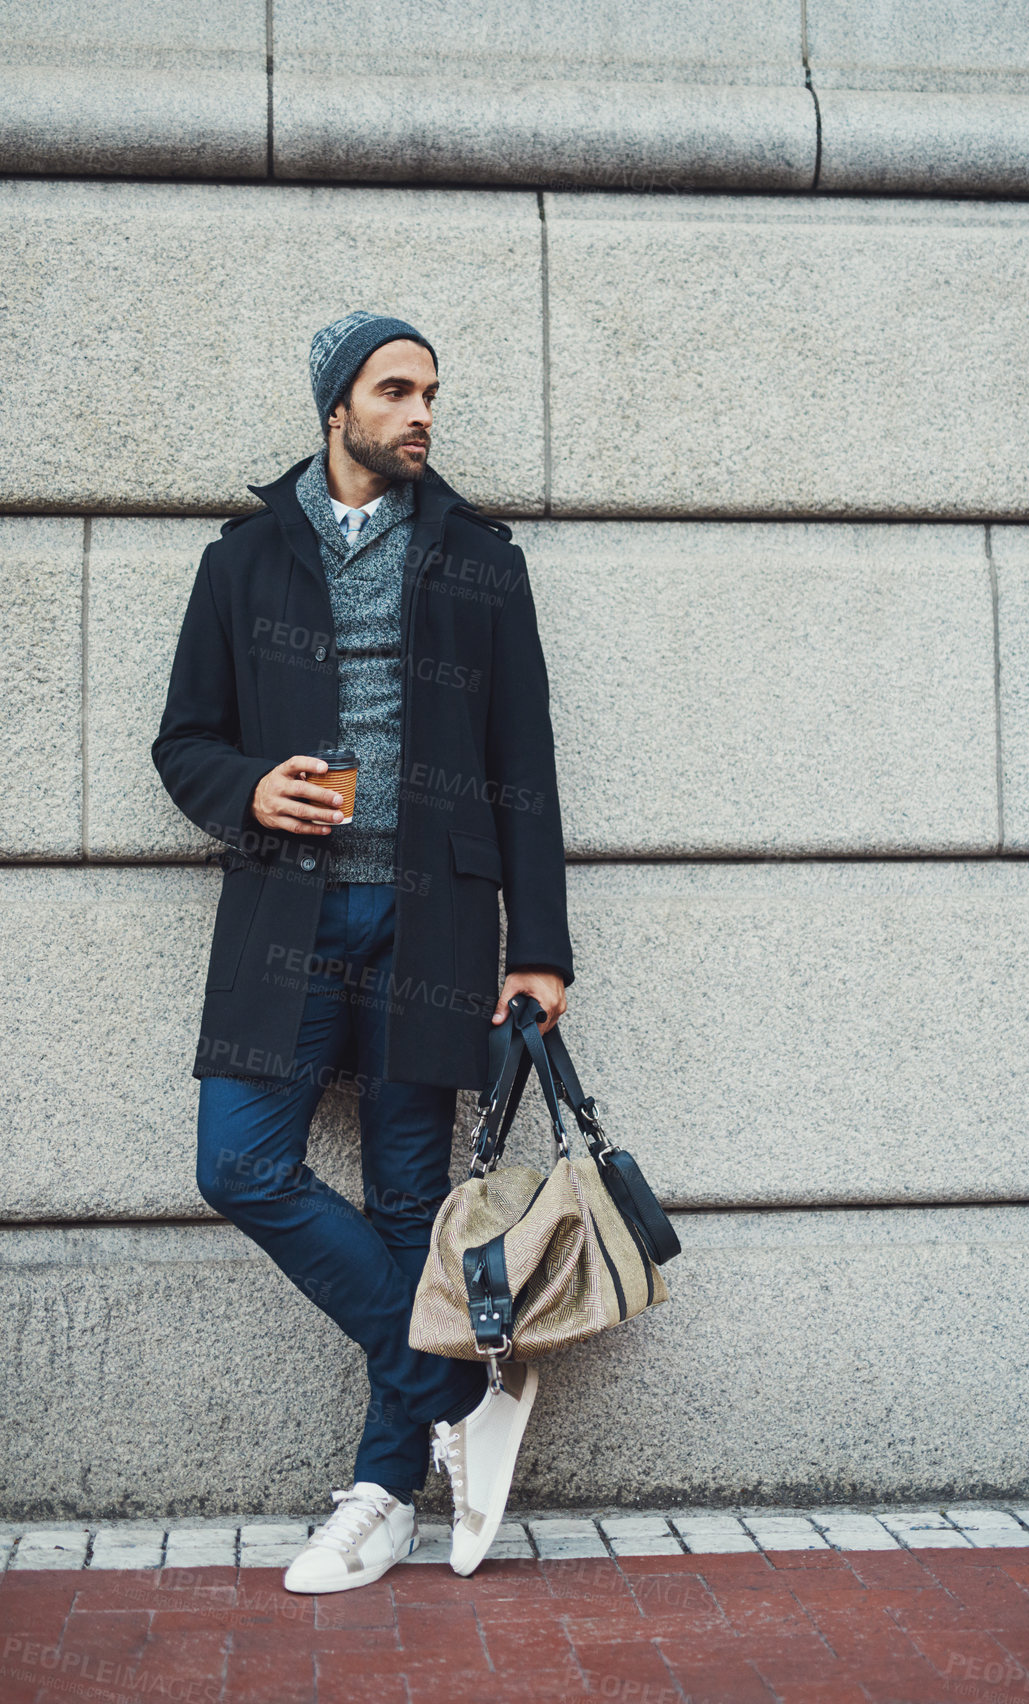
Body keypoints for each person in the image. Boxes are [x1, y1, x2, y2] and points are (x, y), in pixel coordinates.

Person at [152, 310, 574, 1590]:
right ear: (336, 407)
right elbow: (183, 741)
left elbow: (526, 768)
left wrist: (538, 945)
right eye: (395, 390)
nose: (421, 412)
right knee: (239, 1164)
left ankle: (384, 1490)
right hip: (289, 913)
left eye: (431, 391)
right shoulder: (243, 562)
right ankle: (451, 1385)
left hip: (433, 917)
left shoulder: (481, 561)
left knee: (407, 1203)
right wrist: (247, 790)